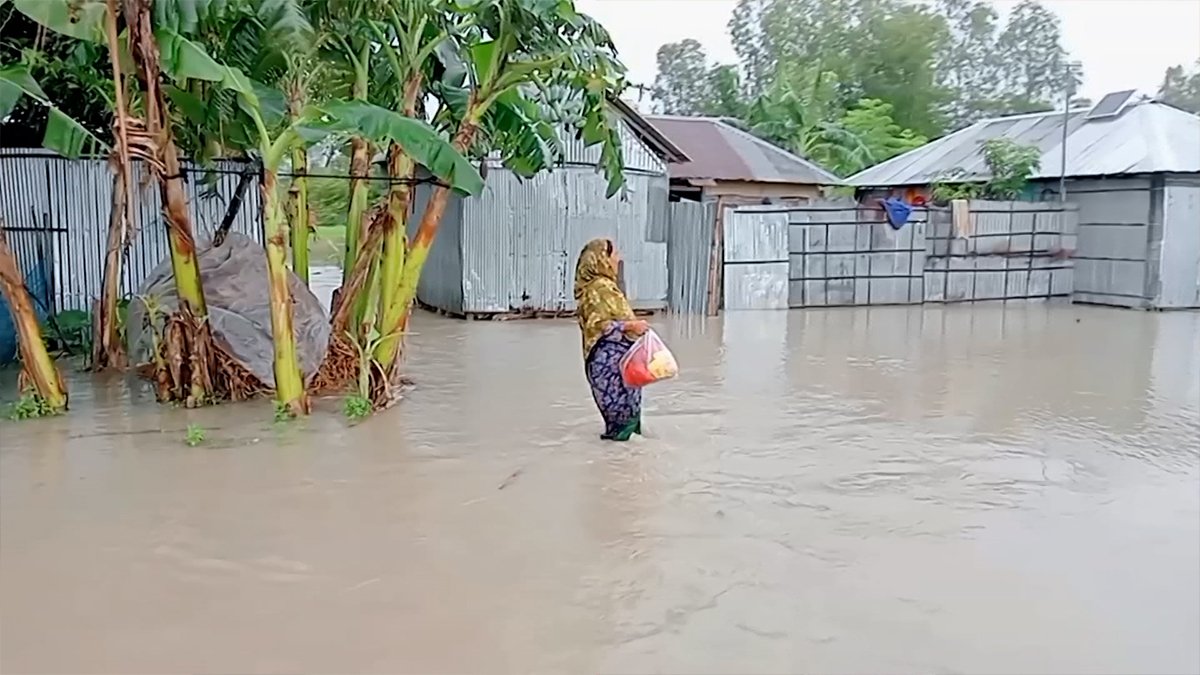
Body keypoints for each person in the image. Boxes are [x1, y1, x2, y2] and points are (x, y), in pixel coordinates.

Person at [574, 238, 648, 441]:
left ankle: (617, 467)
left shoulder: (600, 288)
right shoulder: (599, 289)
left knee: (623, 430)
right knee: (623, 427)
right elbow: (599, 326)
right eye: (614, 254)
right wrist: (632, 326)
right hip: (610, 365)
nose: (618, 259)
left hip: (618, 363)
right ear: (601, 259)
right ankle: (621, 469)